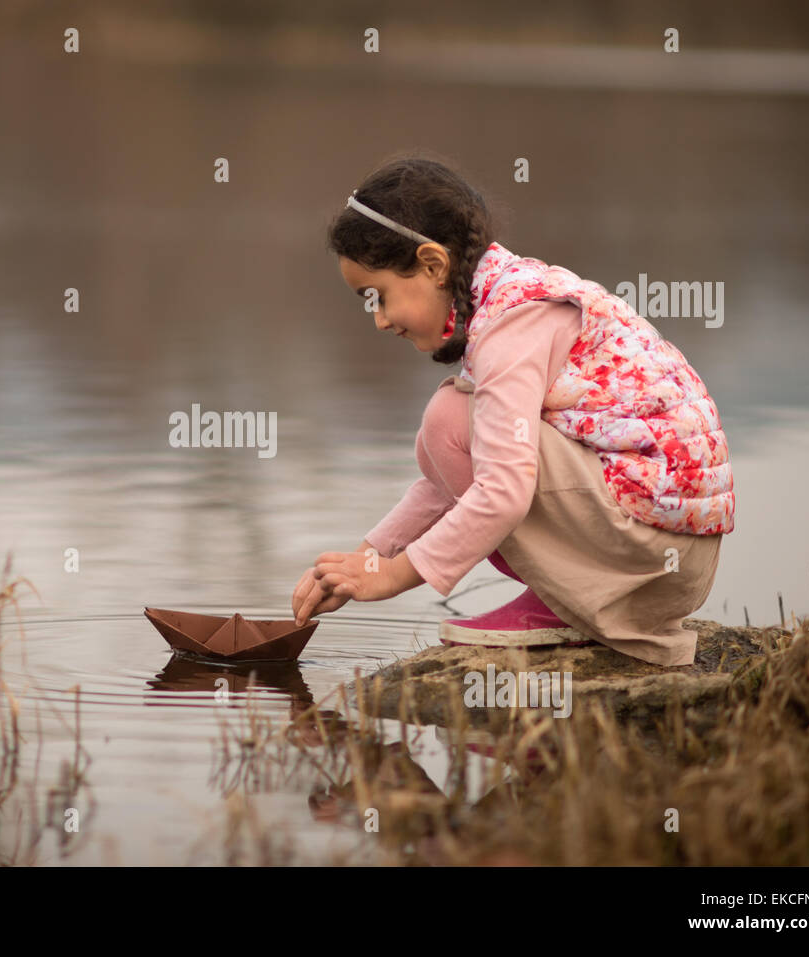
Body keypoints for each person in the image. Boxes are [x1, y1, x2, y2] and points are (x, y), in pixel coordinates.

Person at [290, 153, 733, 667]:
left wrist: (393, 576)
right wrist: (369, 556)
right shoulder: (506, 297)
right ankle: (566, 595)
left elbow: (502, 490)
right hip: (664, 552)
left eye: (380, 297)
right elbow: (449, 483)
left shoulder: (510, 325)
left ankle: (573, 598)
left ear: (433, 265)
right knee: (454, 426)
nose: (380, 320)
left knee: (449, 422)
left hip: (653, 560)